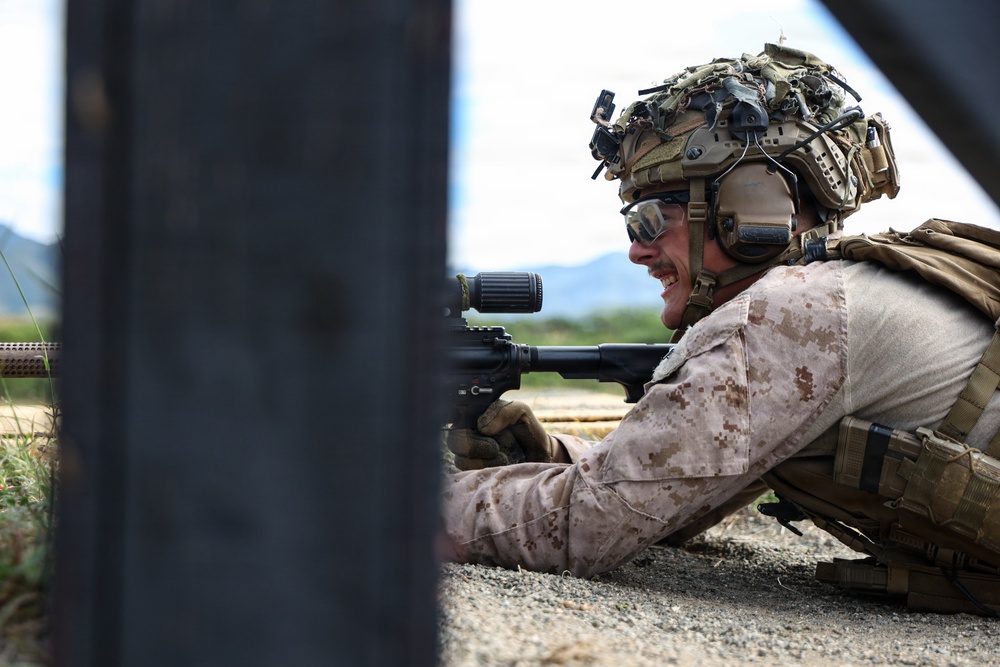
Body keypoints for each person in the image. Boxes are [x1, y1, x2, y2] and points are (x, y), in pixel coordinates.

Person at [441, 43, 1000, 610]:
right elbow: (677, 499)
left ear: (747, 207)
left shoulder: (791, 313)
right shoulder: (838, 295)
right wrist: (551, 459)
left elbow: (588, 525)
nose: (637, 250)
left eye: (653, 217)